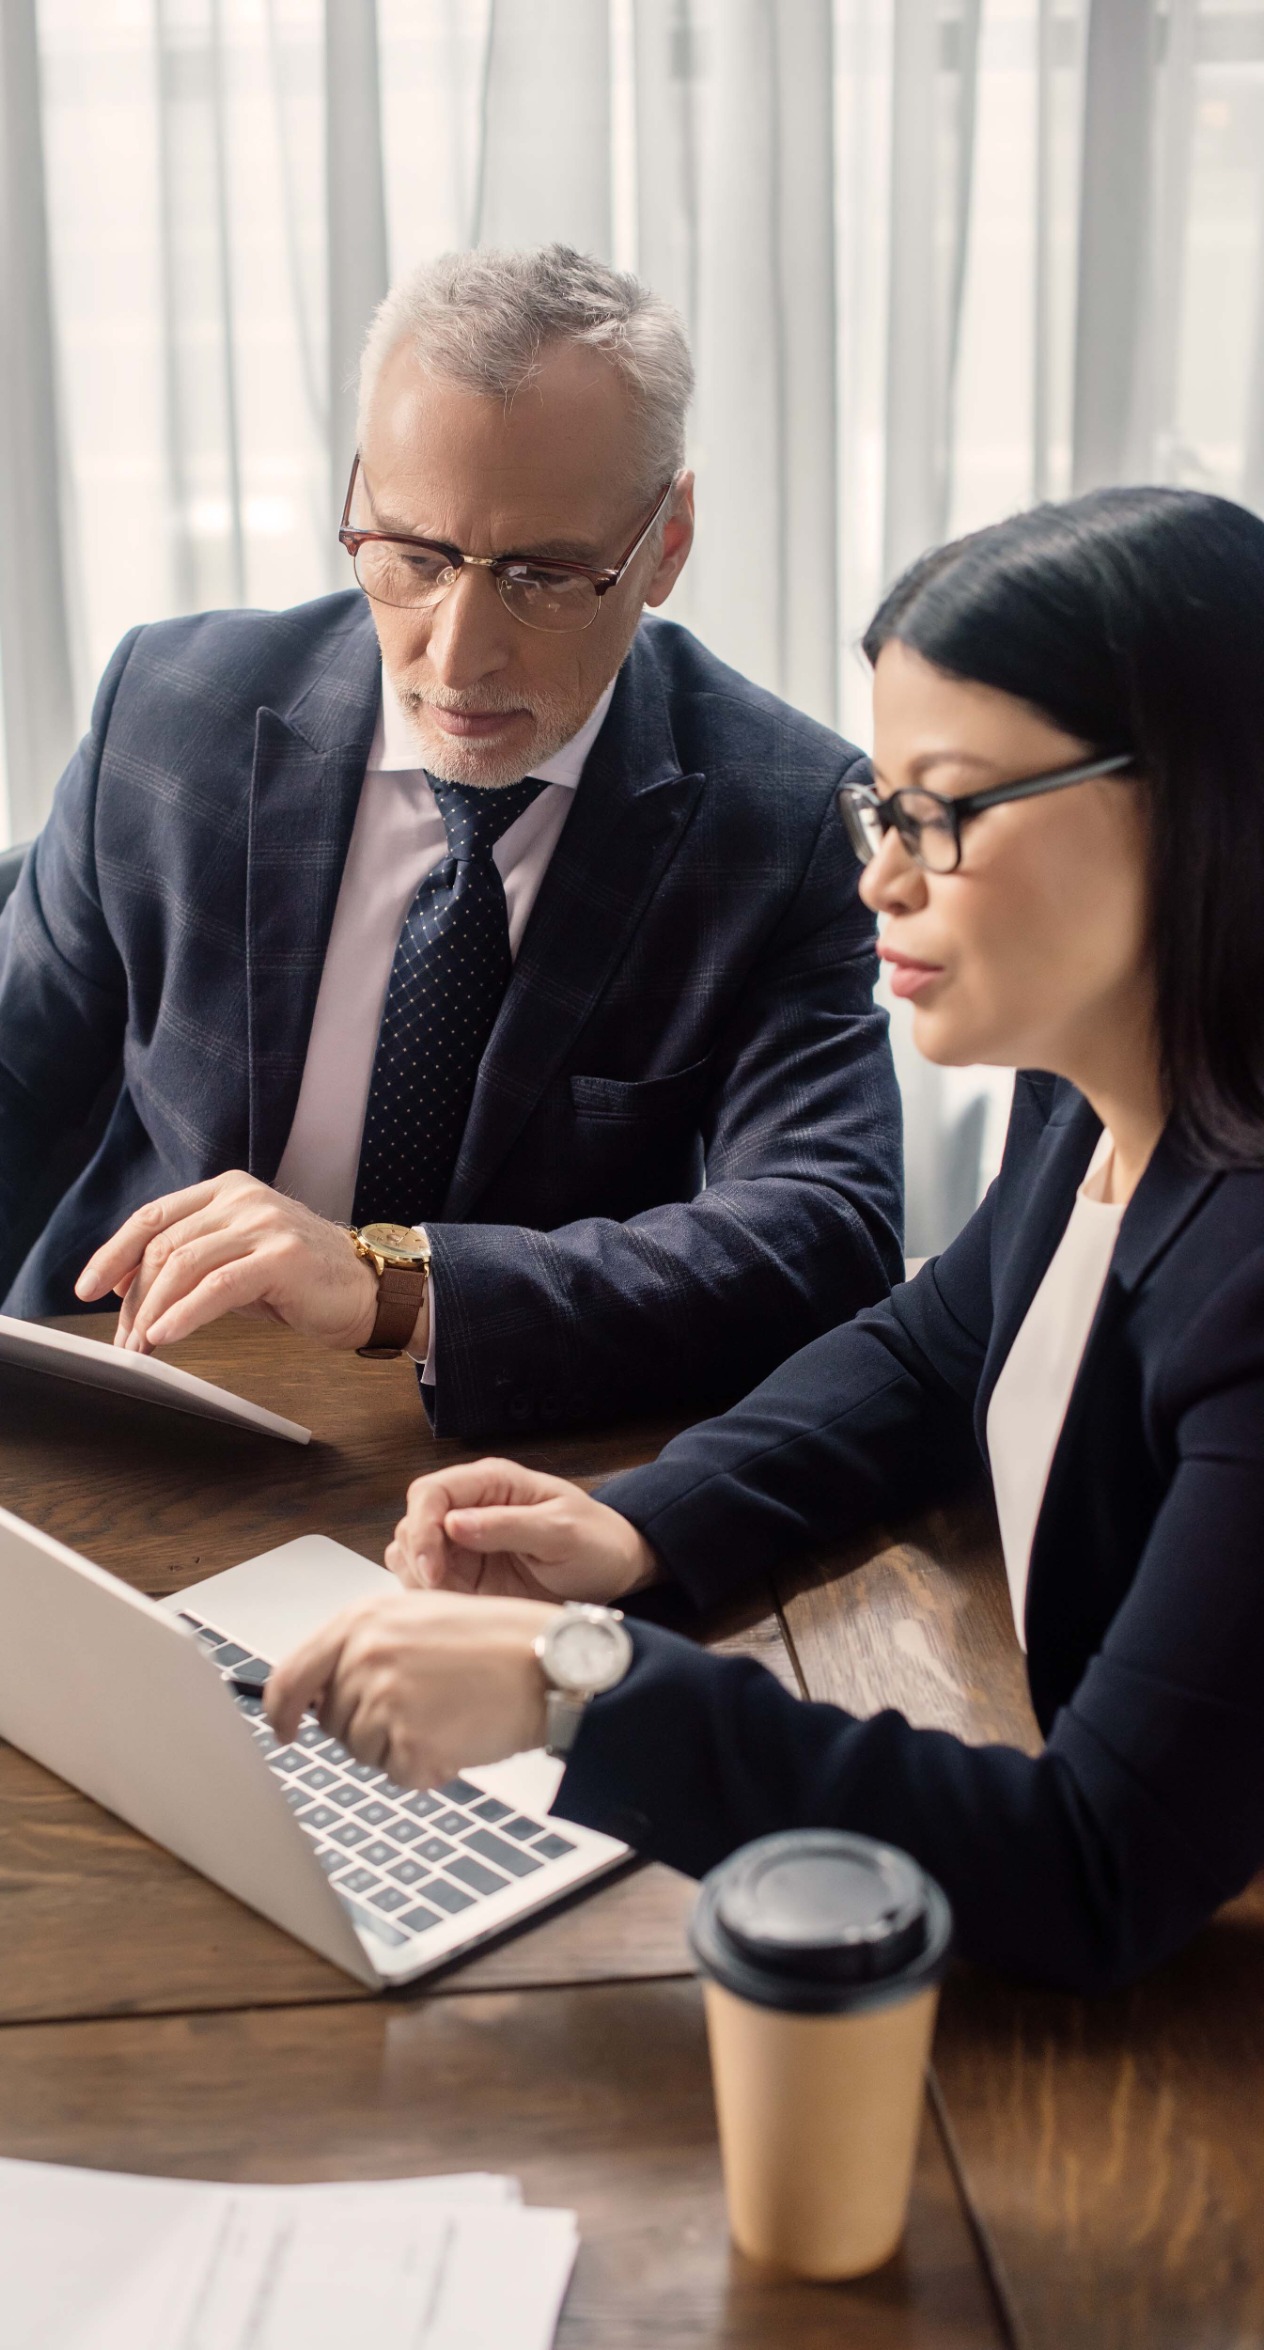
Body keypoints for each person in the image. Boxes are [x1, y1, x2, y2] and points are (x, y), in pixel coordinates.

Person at [266, 485, 1264, 1994]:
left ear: (1199, 802)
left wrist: (575, 1688)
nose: (884, 876)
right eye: (886, 806)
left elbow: (1091, 1864)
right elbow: (941, 1348)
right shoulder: (1094, 1091)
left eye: (947, 810)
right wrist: (646, 1528)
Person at [0, 244, 902, 1440]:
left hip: (503, 1453)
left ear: (665, 544)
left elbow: (825, 1227)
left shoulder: (783, 815)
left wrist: (398, 1284)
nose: (457, 654)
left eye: (541, 576)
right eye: (413, 558)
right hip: (134, 1410)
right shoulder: (173, 711)